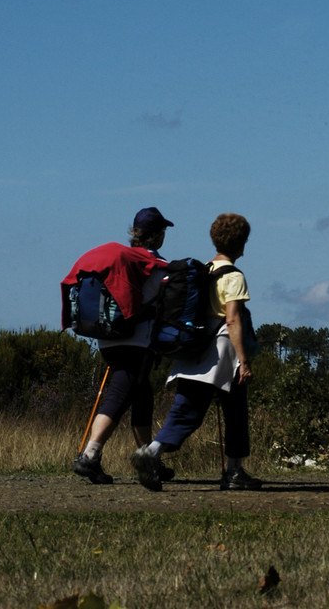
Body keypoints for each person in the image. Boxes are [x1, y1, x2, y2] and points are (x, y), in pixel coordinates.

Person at [131, 212, 262, 492]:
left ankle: (152, 451)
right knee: (234, 410)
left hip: (196, 345)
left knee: (188, 408)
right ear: (242, 244)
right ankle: (232, 470)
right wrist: (244, 361)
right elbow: (233, 319)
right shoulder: (235, 276)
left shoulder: (202, 270)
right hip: (223, 349)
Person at [64, 207, 174, 485]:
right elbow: (166, 300)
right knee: (120, 392)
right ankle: (90, 455)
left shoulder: (122, 261)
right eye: (162, 231)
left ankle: (150, 460)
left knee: (142, 396)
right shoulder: (154, 264)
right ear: (157, 234)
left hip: (107, 337)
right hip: (136, 341)